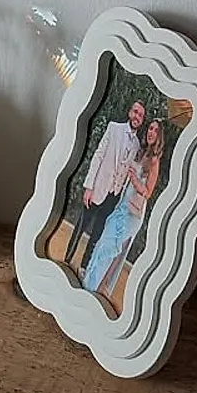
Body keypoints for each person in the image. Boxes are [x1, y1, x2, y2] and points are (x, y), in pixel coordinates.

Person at [82, 117, 166, 300]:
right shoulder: (140, 152)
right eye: (150, 128)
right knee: (103, 242)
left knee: (108, 246)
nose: (151, 132)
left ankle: (90, 288)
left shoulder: (154, 161)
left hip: (132, 213)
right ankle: (89, 282)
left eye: (155, 130)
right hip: (121, 205)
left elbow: (148, 192)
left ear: (159, 137)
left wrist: (135, 179)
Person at [63, 99, 144, 268]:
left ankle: (83, 267)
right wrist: (89, 187)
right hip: (98, 188)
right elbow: (98, 156)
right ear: (130, 112)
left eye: (140, 115)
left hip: (113, 196)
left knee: (97, 234)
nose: (137, 116)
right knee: (81, 226)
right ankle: (66, 260)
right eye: (135, 112)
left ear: (142, 120)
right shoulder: (114, 128)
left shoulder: (136, 145)